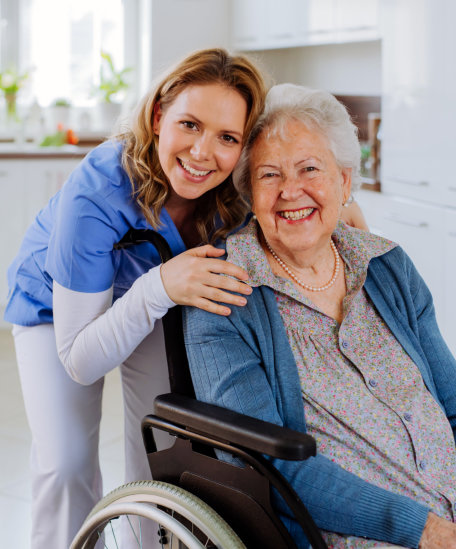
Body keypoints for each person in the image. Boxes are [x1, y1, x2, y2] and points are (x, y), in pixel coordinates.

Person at [4, 48, 267, 549]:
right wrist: (159, 286)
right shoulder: (99, 187)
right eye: (189, 124)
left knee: (161, 453)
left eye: (227, 137)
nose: (203, 152)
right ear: (158, 114)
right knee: (65, 466)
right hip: (54, 310)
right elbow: (80, 359)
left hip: (160, 299)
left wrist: (348, 206)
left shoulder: (235, 191)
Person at [184, 83, 456, 549]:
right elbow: (266, 462)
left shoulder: (386, 264)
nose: (291, 191)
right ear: (250, 193)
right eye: (269, 175)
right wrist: (427, 531)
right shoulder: (225, 294)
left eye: (310, 169)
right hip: (355, 533)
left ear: (344, 182)